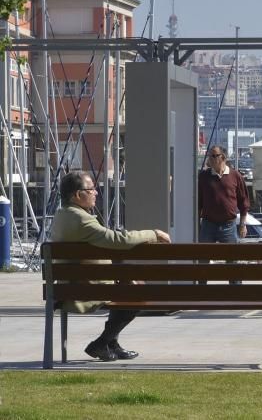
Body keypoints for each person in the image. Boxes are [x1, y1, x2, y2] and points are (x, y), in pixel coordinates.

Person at [50, 171, 171, 362]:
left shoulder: (62, 215)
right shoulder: (81, 219)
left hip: (69, 285)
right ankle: (101, 343)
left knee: (128, 283)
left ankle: (110, 344)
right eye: (90, 189)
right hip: (84, 289)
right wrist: (153, 234)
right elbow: (117, 239)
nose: (96, 192)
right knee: (138, 291)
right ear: (76, 195)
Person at [198, 146, 250, 243]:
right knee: (203, 256)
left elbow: (244, 202)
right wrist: (196, 225)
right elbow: (198, 202)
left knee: (232, 257)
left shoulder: (235, 176)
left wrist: (243, 225)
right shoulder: (203, 176)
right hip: (207, 225)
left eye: (214, 156)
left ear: (223, 157)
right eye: (209, 156)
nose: (210, 158)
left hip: (229, 226)